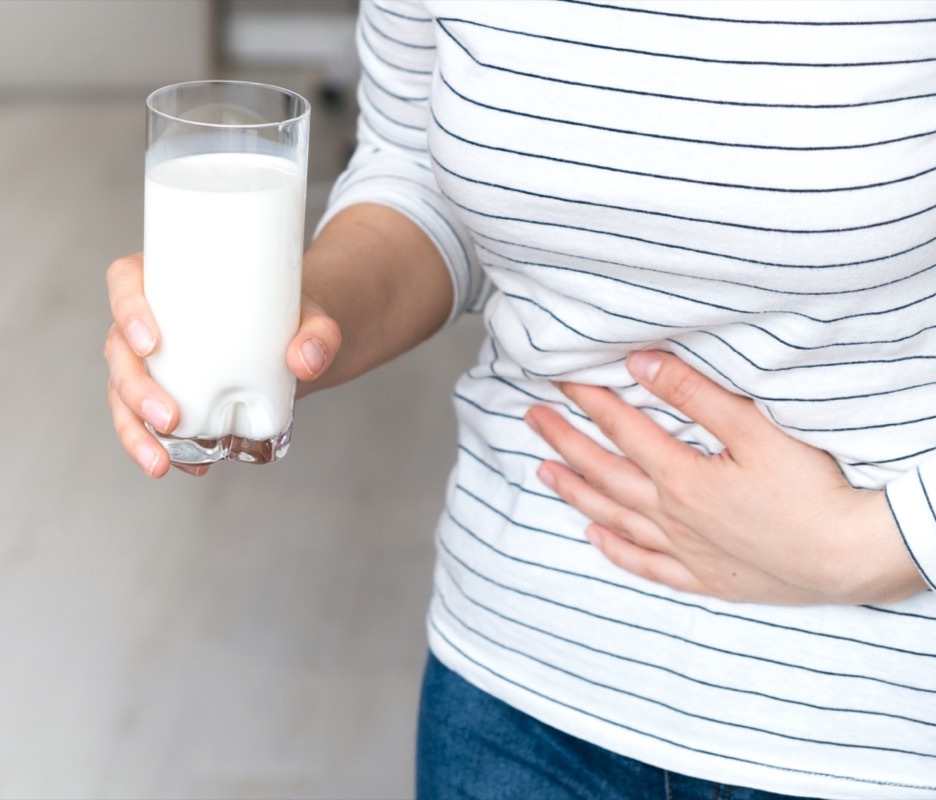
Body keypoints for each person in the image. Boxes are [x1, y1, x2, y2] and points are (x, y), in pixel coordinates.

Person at [105, 1, 936, 797]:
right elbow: (417, 172)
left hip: (885, 727)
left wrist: (872, 546)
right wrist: (298, 318)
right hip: (520, 688)